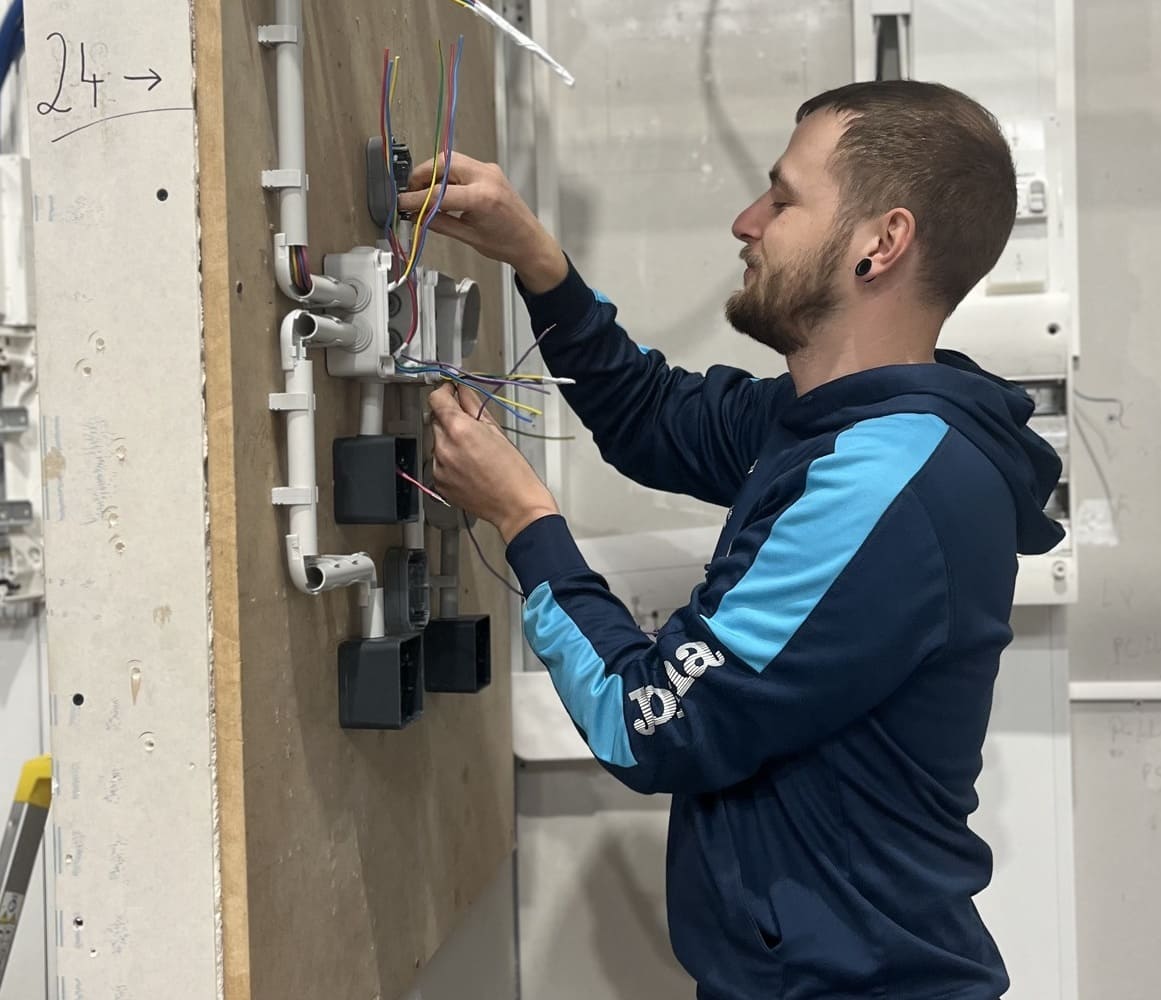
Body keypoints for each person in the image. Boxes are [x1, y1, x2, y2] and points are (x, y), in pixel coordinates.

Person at [400, 79, 1064, 1000]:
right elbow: (652, 418)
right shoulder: (839, 422)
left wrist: (524, 520)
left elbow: (648, 727)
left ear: (884, 242)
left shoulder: (888, 484)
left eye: (785, 198)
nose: (747, 222)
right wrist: (535, 258)